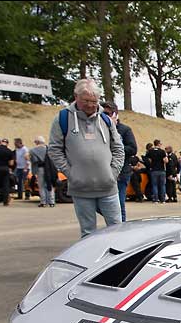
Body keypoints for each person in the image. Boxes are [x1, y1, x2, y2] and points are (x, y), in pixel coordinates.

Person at [48, 79, 124, 238]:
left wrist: (113, 172)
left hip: (108, 187)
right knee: (88, 233)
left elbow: (118, 148)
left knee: (117, 230)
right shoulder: (62, 119)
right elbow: (55, 150)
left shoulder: (106, 119)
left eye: (94, 101)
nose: (91, 105)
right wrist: (71, 173)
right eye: (86, 101)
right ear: (76, 97)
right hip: (81, 189)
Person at [101, 101, 137, 221]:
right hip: (102, 172)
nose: (104, 116)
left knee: (119, 203)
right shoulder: (99, 128)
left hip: (121, 172)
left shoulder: (124, 130)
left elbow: (133, 149)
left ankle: (120, 230)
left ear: (115, 114)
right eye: (102, 113)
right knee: (100, 204)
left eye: (107, 113)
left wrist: (115, 148)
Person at [29, 136, 53, 207]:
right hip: (49, 168)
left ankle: (43, 202)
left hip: (40, 169)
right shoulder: (49, 149)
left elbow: (34, 161)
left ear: (37, 142)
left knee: (41, 186)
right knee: (49, 184)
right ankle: (51, 202)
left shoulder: (33, 150)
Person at [145, 140, 168, 204]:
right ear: (158, 144)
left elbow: (148, 159)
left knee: (154, 185)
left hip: (154, 170)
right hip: (161, 170)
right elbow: (166, 161)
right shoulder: (162, 151)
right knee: (162, 185)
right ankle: (163, 200)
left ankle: (155, 199)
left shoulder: (150, 151)